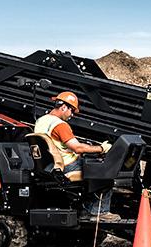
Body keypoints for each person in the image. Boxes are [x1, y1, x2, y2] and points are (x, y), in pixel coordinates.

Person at [34, 92, 120, 221]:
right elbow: (77, 148)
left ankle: (85, 210)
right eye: (72, 111)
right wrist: (102, 148)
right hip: (67, 166)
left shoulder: (41, 121)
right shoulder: (60, 125)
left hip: (50, 165)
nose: (72, 115)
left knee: (92, 165)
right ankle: (99, 212)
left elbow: (59, 146)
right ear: (63, 107)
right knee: (105, 172)